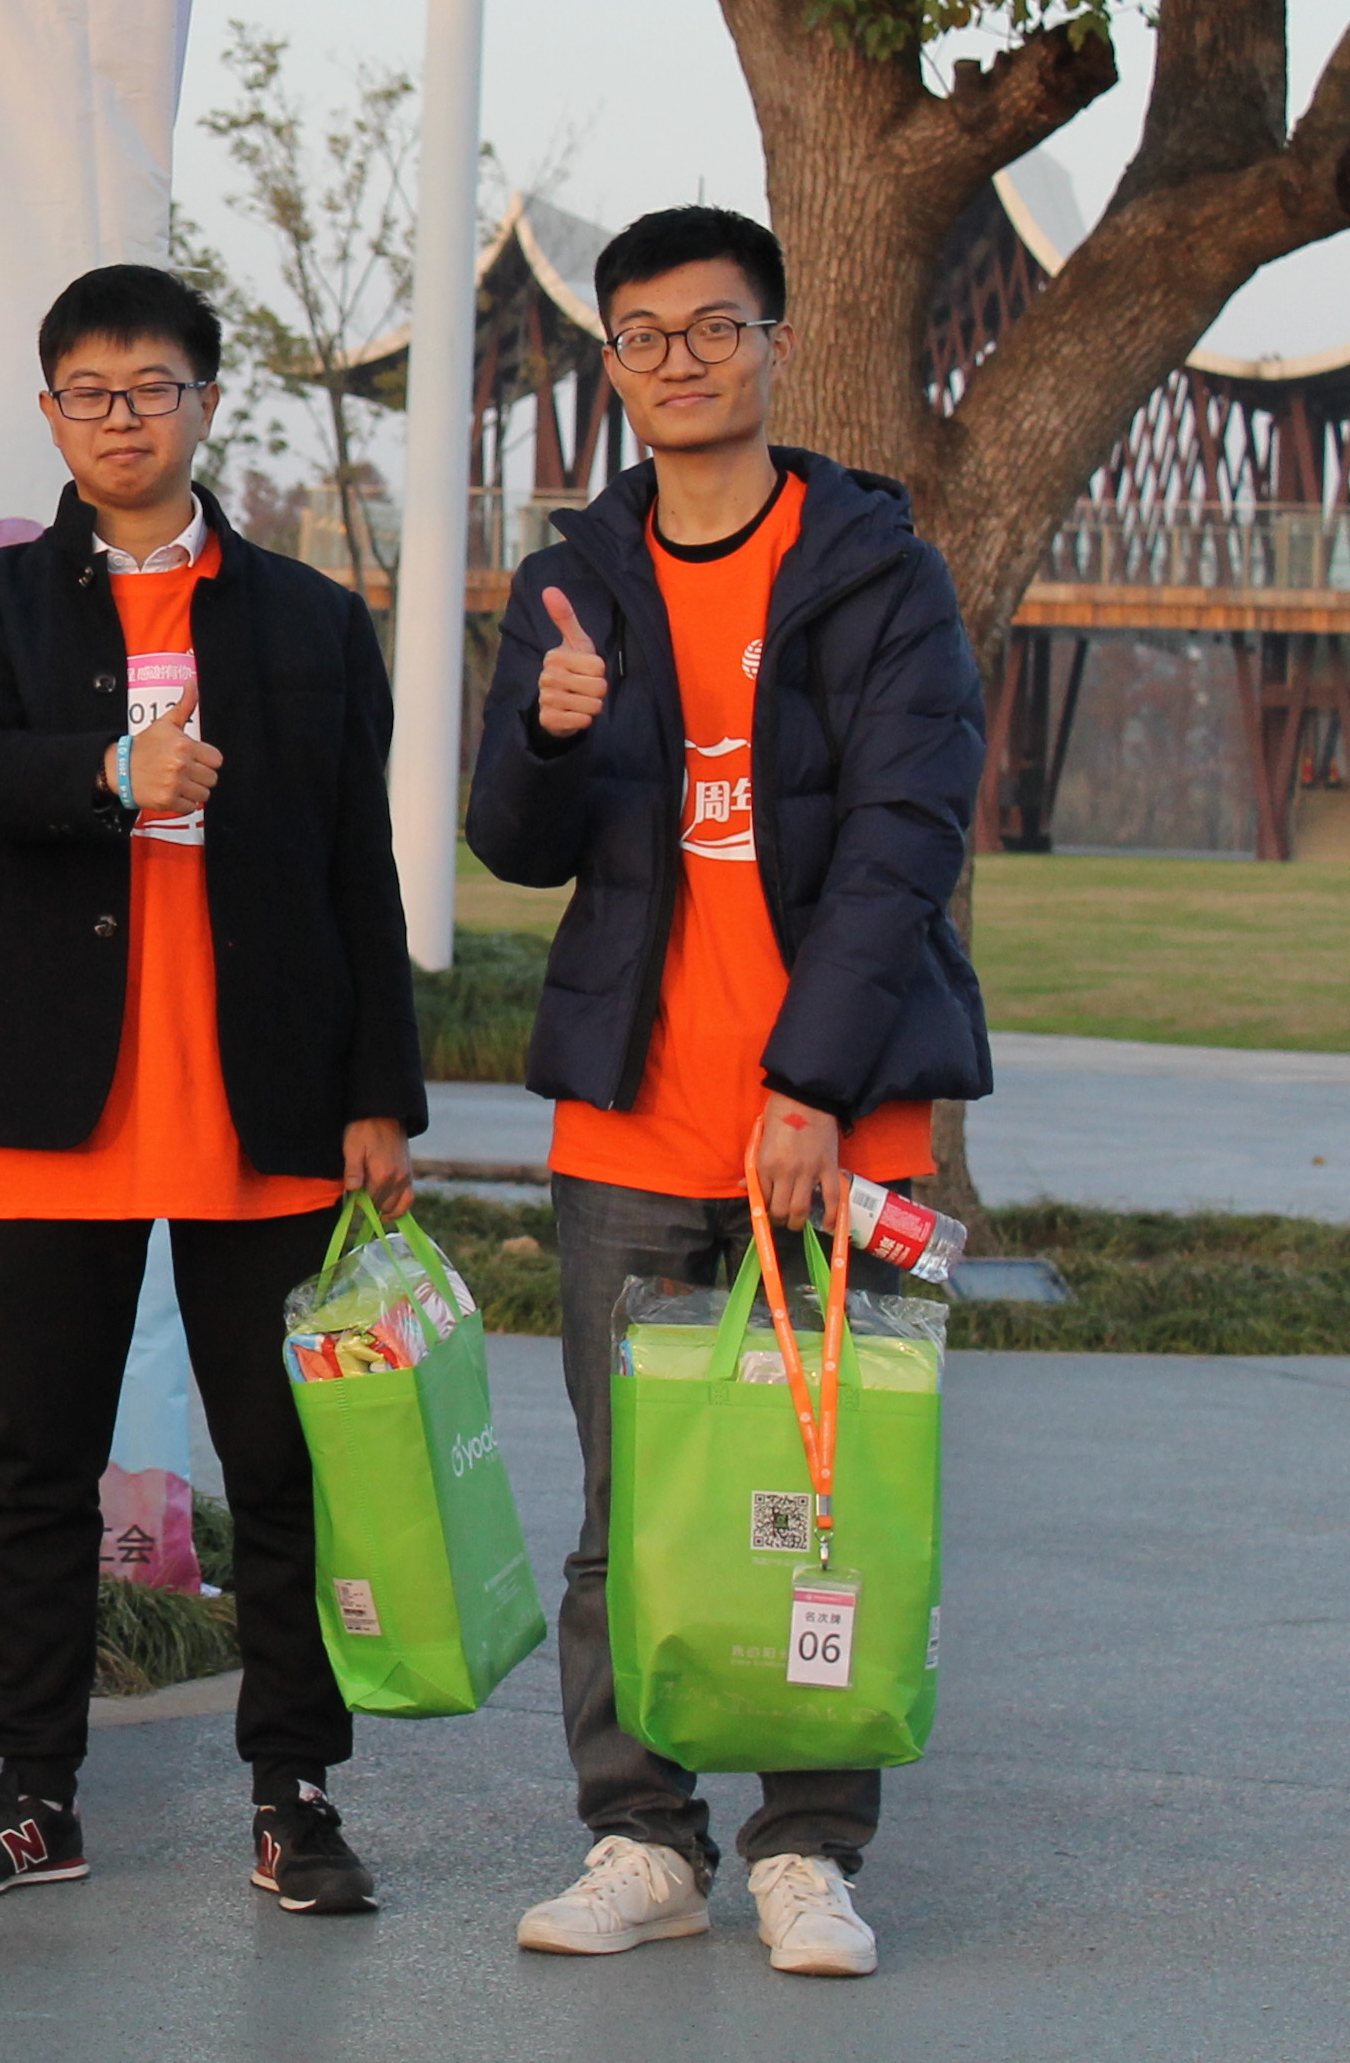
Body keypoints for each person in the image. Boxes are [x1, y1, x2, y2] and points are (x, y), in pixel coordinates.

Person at [468, 203, 988, 1982]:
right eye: (644, 336)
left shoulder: (877, 571)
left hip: (841, 1121)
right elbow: (512, 843)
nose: (678, 361)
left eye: (713, 327)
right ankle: (643, 1839)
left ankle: (810, 1851)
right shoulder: (574, 578)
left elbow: (907, 837)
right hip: (636, 1118)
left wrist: (813, 1082)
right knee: (633, 1515)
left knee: (822, 1496)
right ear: (612, 362)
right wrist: (545, 730)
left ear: (774, 341)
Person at [0, 263, 425, 1913]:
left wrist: (380, 1094)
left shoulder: (311, 619)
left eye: (153, 388)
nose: (121, 418)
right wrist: (109, 773)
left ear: (207, 401)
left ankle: (297, 1796)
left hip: (266, 1108)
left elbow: (359, 866)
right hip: (57, 1104)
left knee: (282, 1471)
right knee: (36, 1471)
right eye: (90, 393)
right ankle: (31, 1790)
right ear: (50, 413)